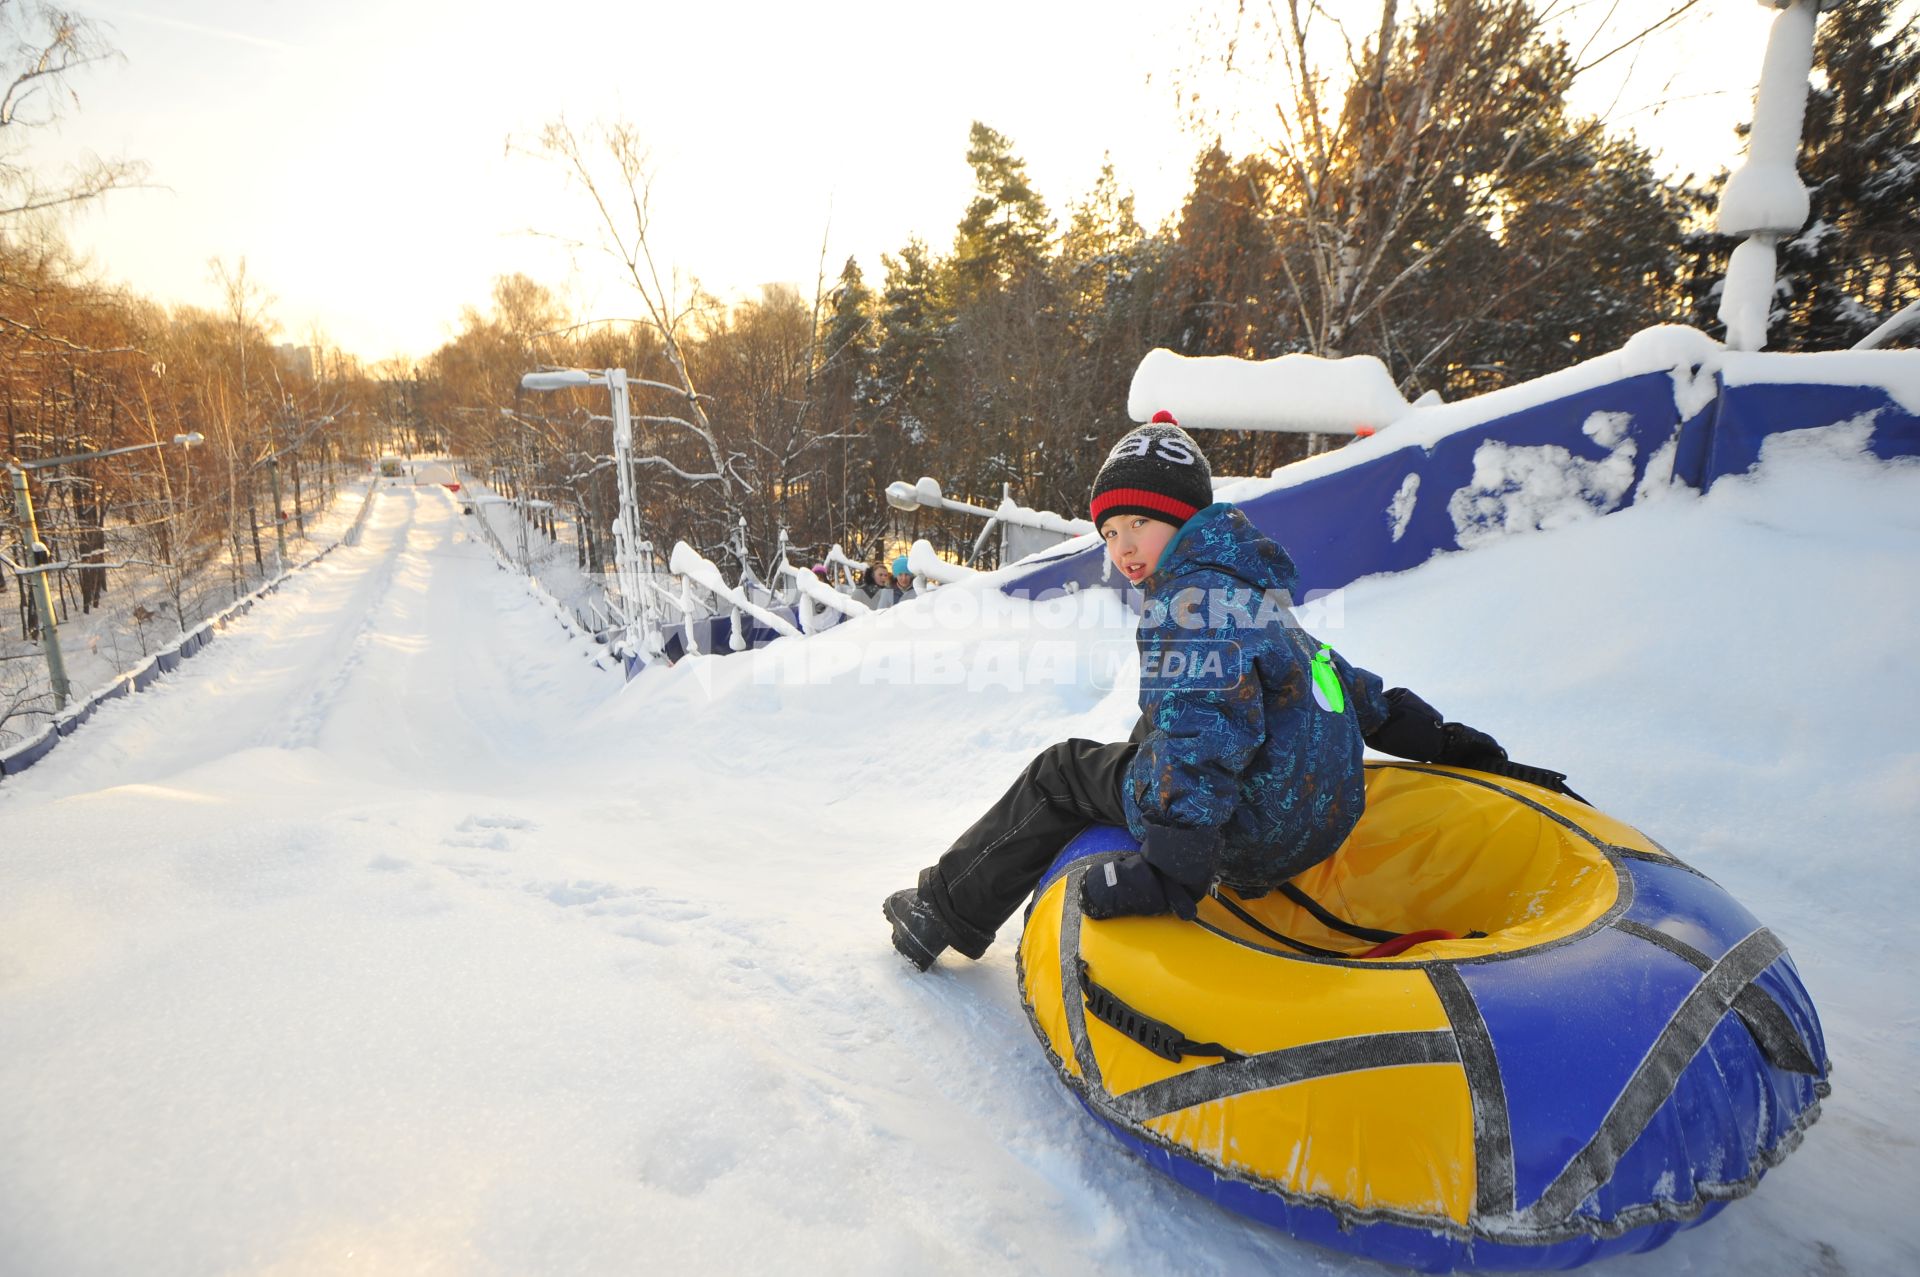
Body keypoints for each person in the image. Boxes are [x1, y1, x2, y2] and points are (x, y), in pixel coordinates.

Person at [882, 413, 1507, 970]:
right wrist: (1453, 744)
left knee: (1060, 772)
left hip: (1250, 831)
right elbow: (1353, 692)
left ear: (1186, 519)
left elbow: (1203, 732)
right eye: (1109, 533)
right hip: (1321, 819)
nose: (1123, 546)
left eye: (1138, 522)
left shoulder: (1190, 605)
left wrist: (1172, 867)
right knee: (1149, 733)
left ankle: (941, 911)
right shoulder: (1253, 596)